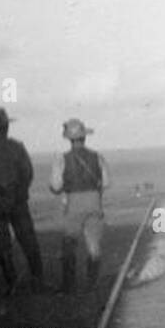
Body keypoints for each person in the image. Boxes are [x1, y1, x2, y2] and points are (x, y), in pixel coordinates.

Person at [0, 107, 43, 295]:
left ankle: (12, 282)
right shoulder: (17, 147)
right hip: (17, 200)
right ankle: (38, 280)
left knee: (1, 244)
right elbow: (27, 173)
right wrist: (18, 192)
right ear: (6, 126)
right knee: (28, 239)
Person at [49, 118, 110, 292]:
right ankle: (92, 284)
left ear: (68, 138)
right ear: (84, 137)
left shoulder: (61, 159)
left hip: (74, 203)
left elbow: (55, 186)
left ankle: (68, 286)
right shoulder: (98, 157)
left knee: (69, 245)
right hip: (94, 202)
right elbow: (106, 182)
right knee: (94, 245)